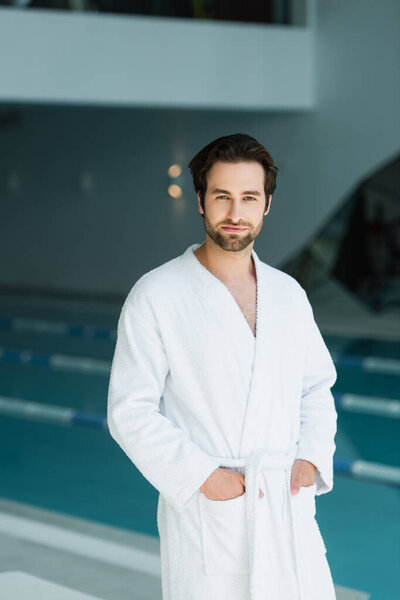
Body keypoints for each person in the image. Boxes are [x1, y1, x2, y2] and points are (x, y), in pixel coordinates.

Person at [107, 133, 338, 600]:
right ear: (200, 201)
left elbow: (316, 388)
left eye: (249, 198)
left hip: (287, 511)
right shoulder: (157, 295)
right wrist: (203, 477)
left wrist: (310, 458)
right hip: (210, 517)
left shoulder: (289, 294)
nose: (236, 213)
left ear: (266, 204)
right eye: (222, 197)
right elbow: (129, 409)